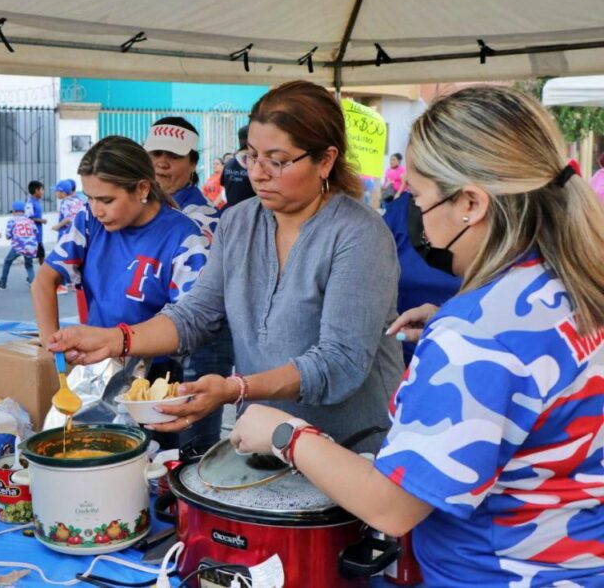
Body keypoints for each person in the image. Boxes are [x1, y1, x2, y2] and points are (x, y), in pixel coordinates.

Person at [229, 85, 604, 586]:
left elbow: (393, 507)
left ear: (470, 203)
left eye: (421, 200)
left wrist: (283, 433)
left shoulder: (476, 336)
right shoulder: (571, 285)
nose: (418, 220)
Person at [50, 82, 402, 453]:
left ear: (326, 160)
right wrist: (116, 340)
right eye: (251, 155)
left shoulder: (359, 234)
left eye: (277, 160)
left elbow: (340, 361)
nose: (258, 173)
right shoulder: (239, 222)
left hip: (349, 447)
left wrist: (237, 388)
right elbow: (196, 313)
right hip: (264, 441)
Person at [33, 137, 209, 428]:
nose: (97, 209)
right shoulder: (89, 221)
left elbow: (191, 322)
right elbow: (44, 279)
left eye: (107, 200)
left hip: (156, 377)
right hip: (95, 362)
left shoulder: (185, 239)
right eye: (89, 198)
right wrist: (53, 346)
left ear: (142, 189)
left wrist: (124, 344)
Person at [143, 117, 230, 444]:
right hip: (155, 338)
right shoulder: (143, 208)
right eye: (155, 153)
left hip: (202, 341)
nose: (161, 163)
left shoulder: (202, 217)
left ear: (193, 162)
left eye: (174, 155)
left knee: (191, 445)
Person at [382, 191, 461, 364]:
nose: (415, 203)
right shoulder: (398, 215)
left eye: (418, 192)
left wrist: (450, 325)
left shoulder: (505, 236)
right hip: (399, 360)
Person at [0, 200, 39, 289]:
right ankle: (34, 284)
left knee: (7, 262)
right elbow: (36, 232)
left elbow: (8, 236)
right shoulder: (30, 220)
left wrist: (14, 235)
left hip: (18, 246)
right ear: (24, 211)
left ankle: (3, 282)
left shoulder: (12, 220)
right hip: (31, 246)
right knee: (29, 265)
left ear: (14, 211)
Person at [220, 124, 255, 210]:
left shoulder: (229, 164)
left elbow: (223, 184)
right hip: (250, 213)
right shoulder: (254, 163)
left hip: (232, 212)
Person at [25, 180, 47, 264]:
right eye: (42, 189)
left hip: (38, 235)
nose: (43, 192)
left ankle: (40, 274)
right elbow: (28, 218)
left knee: (41, 255)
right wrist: (41, 220)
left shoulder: (37, 202)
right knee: (38, 256)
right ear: (36, 190)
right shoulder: (30, 203)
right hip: (33, 236)